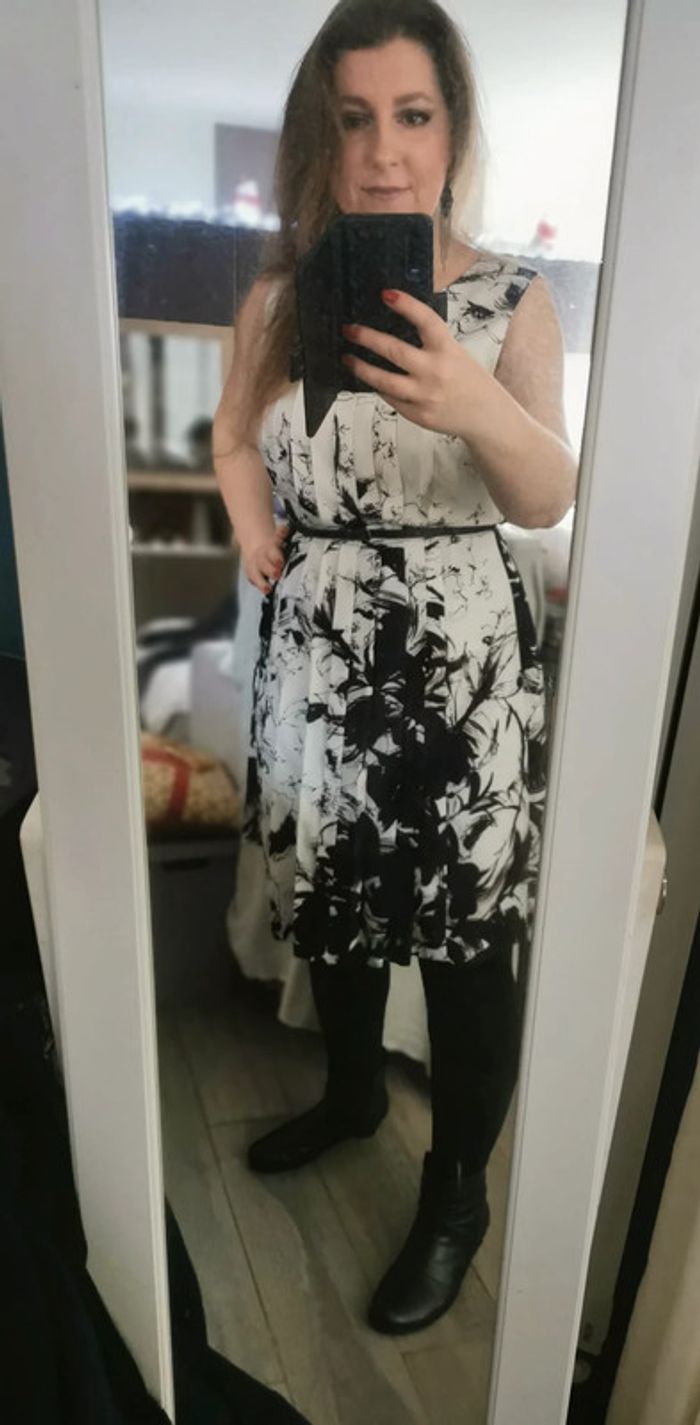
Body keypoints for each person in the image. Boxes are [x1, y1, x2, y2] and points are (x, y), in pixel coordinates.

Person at [213, 0, 576, 1335]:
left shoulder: (511, 299)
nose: (381, 151)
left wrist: (472, 402)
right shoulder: (277, 297)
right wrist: (254, 528)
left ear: (452, 131)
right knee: (335, 901)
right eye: (353, 119)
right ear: (320, 135)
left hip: (458, 665)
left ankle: (457, 1192)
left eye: (412, 115)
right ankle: (355, 1091)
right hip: (316, 649)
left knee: (470, 943)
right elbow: (233, 439)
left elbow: (547, 492)